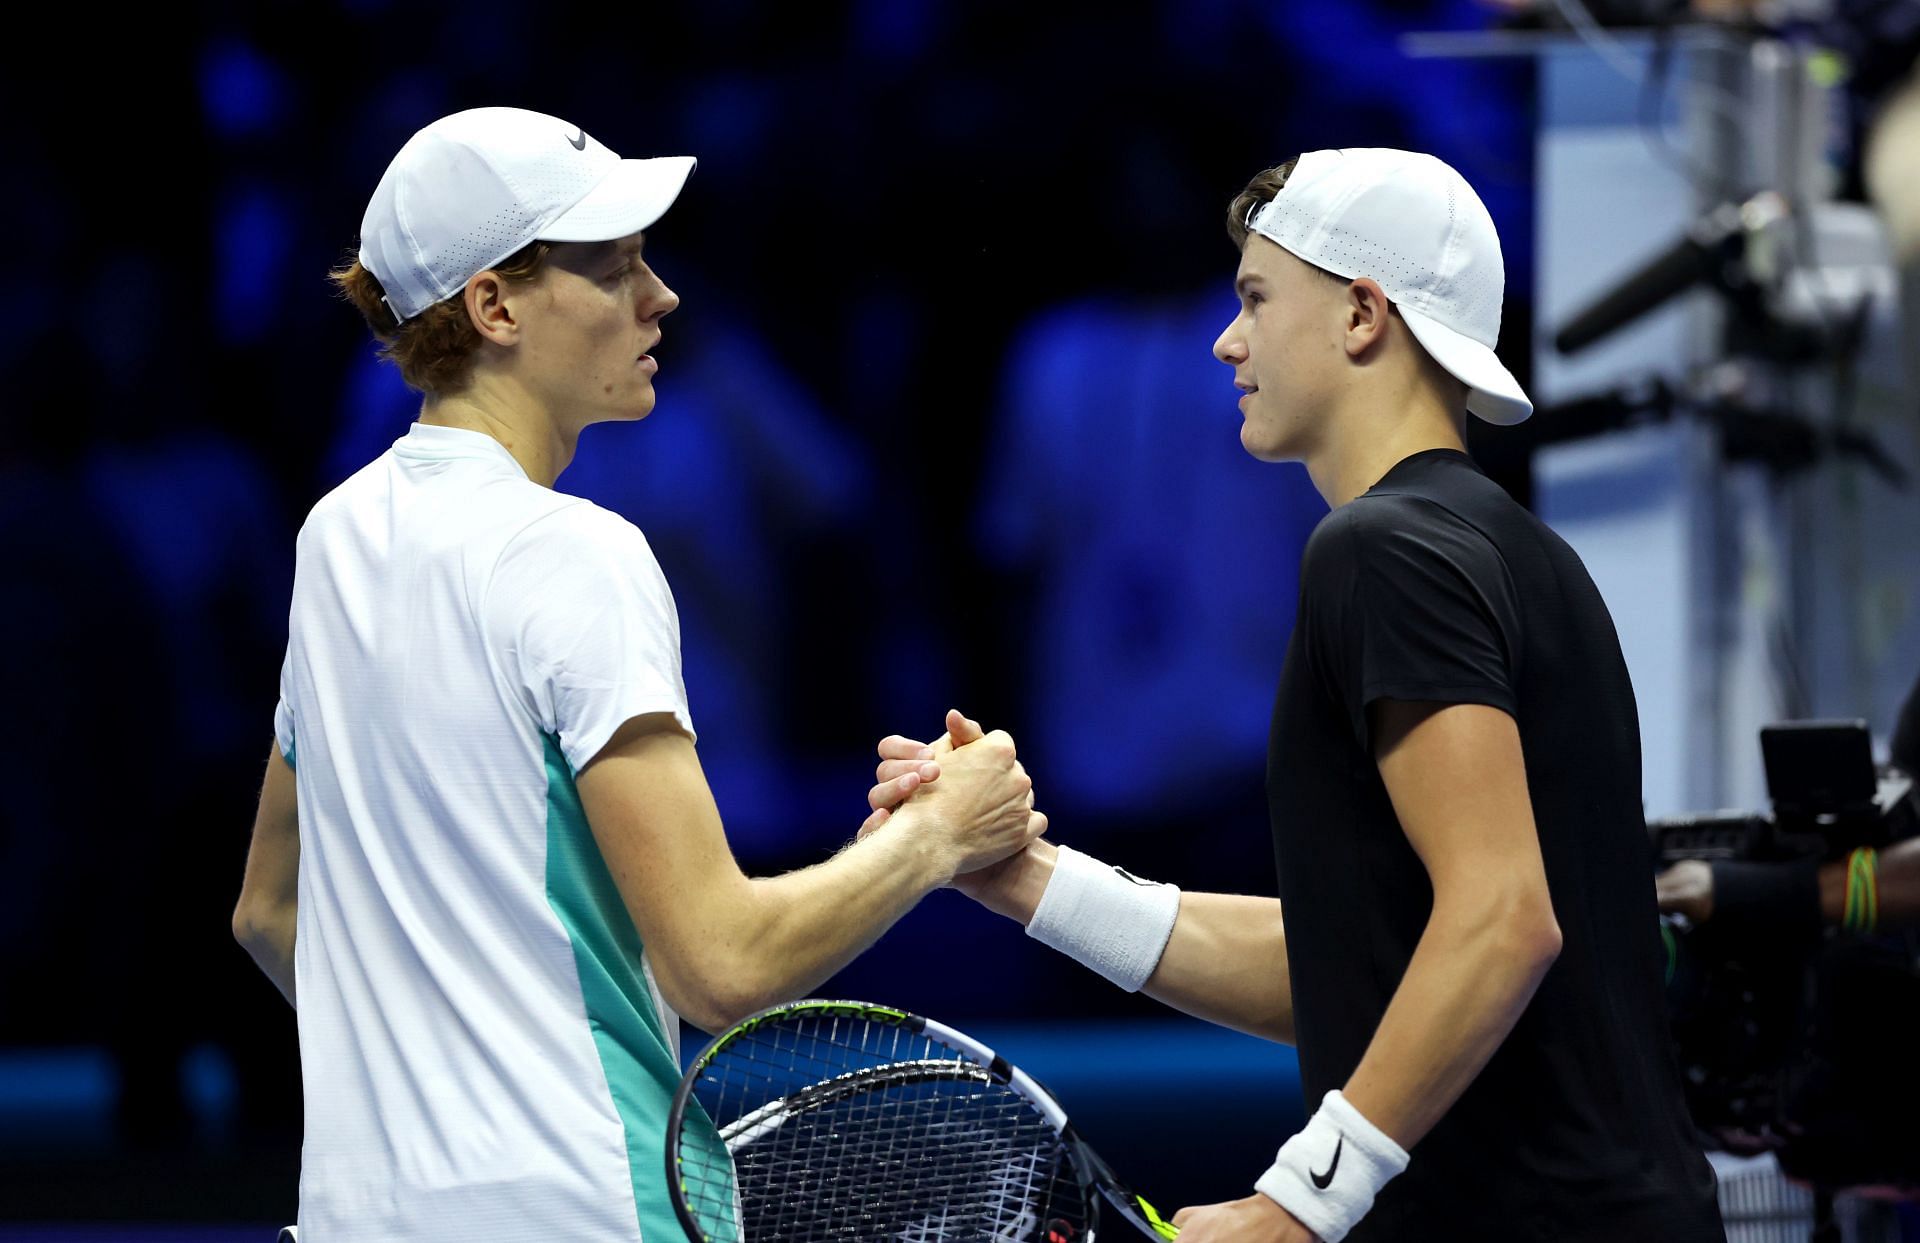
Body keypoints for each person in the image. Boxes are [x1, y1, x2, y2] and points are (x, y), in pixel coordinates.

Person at [868, 149, 1725, 1242]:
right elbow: (1354, 971)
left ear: (1363, 314)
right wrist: (1029, 881)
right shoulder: (1510, 548)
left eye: (1256, 300)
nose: (1228, 340)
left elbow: (1503, 922)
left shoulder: (1385, 550)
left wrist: (1295, 1205)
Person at [229, 106, 1045, 1243]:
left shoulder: (337, 538)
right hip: (584, 1211)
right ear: (494, 305)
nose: (660, 296)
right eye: (613, 270)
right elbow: (721, 964)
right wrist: (937, 837)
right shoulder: (579, 552)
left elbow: (270, 912)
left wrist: (434, 1073)